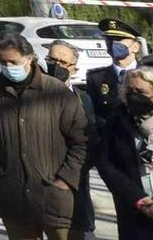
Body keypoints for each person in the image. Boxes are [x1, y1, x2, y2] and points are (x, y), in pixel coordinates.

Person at [0, 33, 86, 240]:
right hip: (13, 197)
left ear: (30, 57)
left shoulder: (56, 92)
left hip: (56, 196)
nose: (8, 66)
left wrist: (65, 179)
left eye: (13, 61)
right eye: (2, 61)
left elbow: (82, 140)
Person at [44, 42, 98, 240]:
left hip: (73, 180)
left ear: (74, 68)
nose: (56, 65)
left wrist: (71, 173)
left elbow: (90, 140)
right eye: (52, 60)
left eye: (63, 62)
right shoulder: (30, 95)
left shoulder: (84, 99)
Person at [93, 67, 153, 240]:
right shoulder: (116, 121)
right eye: (130, 91)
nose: (134, 95)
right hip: (134, 209)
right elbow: (105, 164)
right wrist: (139, 199)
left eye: (141, 91)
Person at [89, 22, 144, 129]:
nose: (112, 44)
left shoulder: (149, 75)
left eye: (118, 40)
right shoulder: (96, 79)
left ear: (135, 47)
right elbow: (94, 116)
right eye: (109, 41)